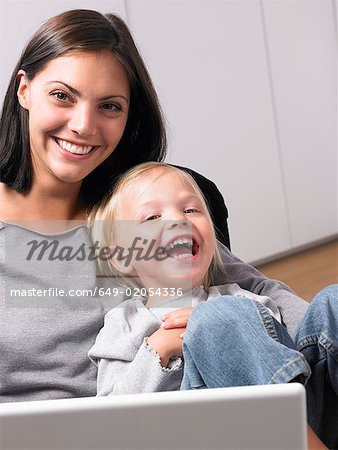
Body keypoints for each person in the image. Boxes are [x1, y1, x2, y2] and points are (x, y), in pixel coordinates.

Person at [0, 9, 330, 445]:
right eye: (62, 96)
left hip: (197, 417)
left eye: (110, 107)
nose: (83, 125)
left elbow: (258, 294)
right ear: (25, 90)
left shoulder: (136, 208)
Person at [88, 161, 337, 448]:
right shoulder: (125, 323)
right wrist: (159, 349)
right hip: (213, 434)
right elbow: (110, 421)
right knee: (216, 319)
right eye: (152, 217)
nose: (178, 220)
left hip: (307, 416)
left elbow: (300, 354)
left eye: (190, 210)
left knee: (332, 300)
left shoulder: (242, 298)